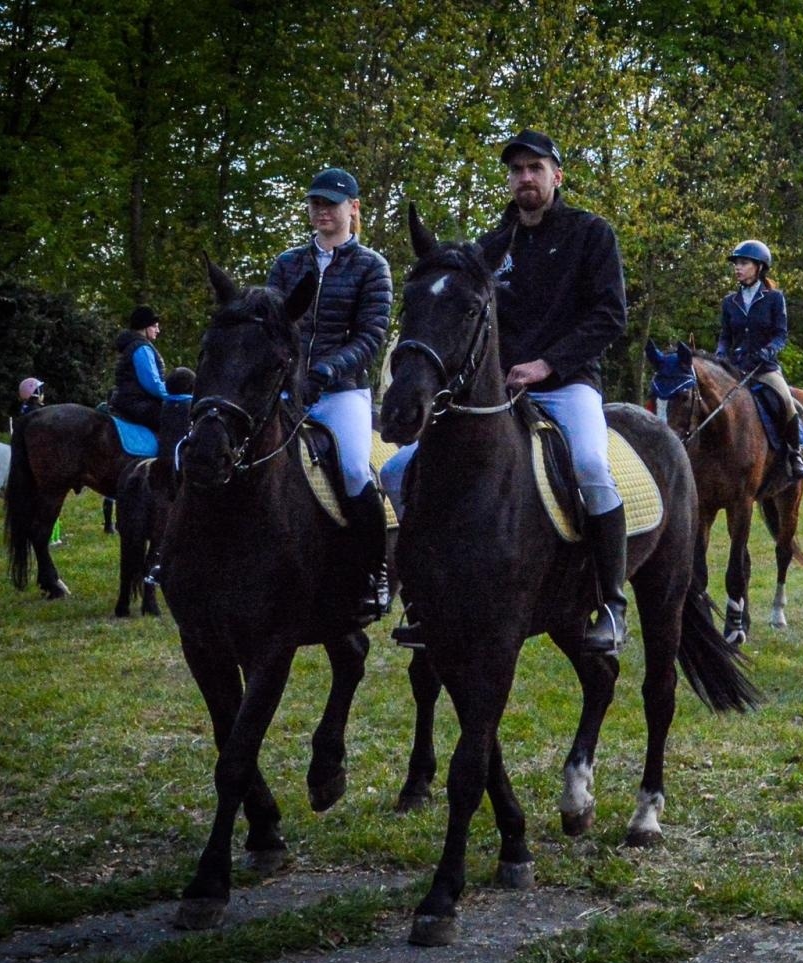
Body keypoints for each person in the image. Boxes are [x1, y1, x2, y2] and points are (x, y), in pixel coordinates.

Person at [399, 130, 630, 655]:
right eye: (516, 169)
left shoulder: (592, 234)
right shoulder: (490, 245)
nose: (525, 177)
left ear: (557, 175)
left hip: (568, 383)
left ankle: (612, 605)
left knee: (592, 465)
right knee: (398, 471)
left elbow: (610, 315)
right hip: (493, 392)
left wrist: (548, 364)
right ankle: (422, 598)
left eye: (535, 168)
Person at [266, 166, 393, 626]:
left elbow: (371, 335)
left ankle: (374, 572)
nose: (321, 210)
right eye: (315, 202)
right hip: (285, 388)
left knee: (357, 470)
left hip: (341, 391)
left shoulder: (371, 267)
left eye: (330, 203)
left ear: (353, 208)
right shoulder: (287, 264)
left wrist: (326, 369)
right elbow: (273, 324)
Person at [716, 239, 803, 481]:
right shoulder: (729, 302)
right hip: (735, 368)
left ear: (759, 267)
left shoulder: (774, 298)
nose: (737, 268)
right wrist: (720, 353)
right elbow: (725, 337)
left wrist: (768, 351)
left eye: (743, 263)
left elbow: (781, 335)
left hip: (764, 367)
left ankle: (794, 453)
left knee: (786, 401)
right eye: (736, 263)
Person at [108, 306, 189, 430]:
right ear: (145, 326)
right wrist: (176, 397)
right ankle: (169, 449)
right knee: (176, 419)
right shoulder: (142, 348)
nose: (158, 330)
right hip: (137, 403)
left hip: (127, 400)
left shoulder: (132, 345)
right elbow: (153, 384)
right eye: (154, 326)